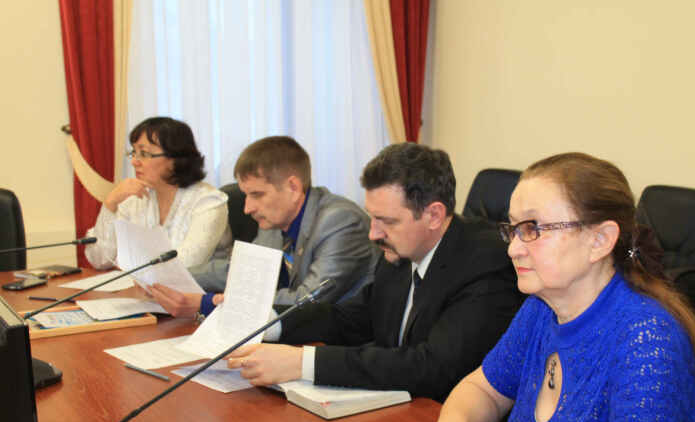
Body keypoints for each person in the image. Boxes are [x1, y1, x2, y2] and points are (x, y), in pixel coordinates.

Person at [410, 153, 695, 422]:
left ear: (600, 240)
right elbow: (484, 389)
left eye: (532, 229)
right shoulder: (541, 308)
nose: (513, 249)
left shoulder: (647, 337)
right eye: (513, 229)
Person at [224, 142, 524, 402]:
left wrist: (301, 363)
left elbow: (433, 367)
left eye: (386, 221)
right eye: (372, 218)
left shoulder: (486, 263)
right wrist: (269, 322)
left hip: (443, 418)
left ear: (433, 215)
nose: (373, 233)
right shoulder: (401, 250)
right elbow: (352, 319)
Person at [149, 135, 378, 316]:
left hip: (340, 344)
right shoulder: (275, 222)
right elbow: (240, 271)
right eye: (246, 195)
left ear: (293, 187)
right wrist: (164, 277)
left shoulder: (340, 222)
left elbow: (306, 301)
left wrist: (209, 303)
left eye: (257, 195)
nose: (247, 208)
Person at [85, 116, 231, 269]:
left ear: (175, 158)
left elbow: (186, 264)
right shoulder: (135, 198)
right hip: (143, 284)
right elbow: (100, 259)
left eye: (144, 154)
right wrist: (111, 203)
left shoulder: (208, 202)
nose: (134, 162)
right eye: (134, 152)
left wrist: (128, 264)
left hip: (198, 284)